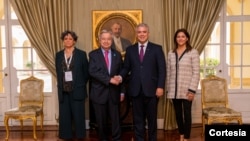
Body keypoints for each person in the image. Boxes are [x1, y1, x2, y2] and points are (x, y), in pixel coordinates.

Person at [119, 23, 166, 141]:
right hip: (135, 90)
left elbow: (162, 70)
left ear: (148, 33)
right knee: (138, 120)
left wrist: (160, 86)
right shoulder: (130, 50)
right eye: (139, 32)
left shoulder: (157, 49)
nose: (142, 34)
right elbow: (126, 68)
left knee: (152, 120)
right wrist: (119, 77)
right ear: (136, 34)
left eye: (144, 32)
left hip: (152, 90)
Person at [88, 29, 124, 141]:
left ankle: (116, 139)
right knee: (101, 121)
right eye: (103, 39)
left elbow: (121, 73)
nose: (106, 41)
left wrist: (122, 91)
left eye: (109, 39)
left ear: (112, 40)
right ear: (99, 40)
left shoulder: (117, 54)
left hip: (114, 92)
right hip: (99, 93)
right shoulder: (93, 54)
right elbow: (93, 72)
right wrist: (109, 80)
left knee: (116, 120)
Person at [166, 28, 200, 141]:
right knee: (178, 114)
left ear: (187, 38)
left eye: (183, 36)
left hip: (187, 89)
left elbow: (196, 72)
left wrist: (192, 90)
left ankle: (186, 137)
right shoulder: (171, 53)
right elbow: (168, 72)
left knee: (187, 113)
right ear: (175, 39)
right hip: (174, 89)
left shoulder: (193, 52)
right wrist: (168, 89)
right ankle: (181, 134)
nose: (180, 38)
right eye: (178, 36)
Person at [55, 30, 89, 140]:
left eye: (70, 38)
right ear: (63, 41)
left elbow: (86, 73)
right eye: (65, 39)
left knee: (79, 115)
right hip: (63, 90)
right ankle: (66, 135)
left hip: (77, 89)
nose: (68, 40)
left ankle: (80, 135)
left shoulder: (81, 54)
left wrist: (80, 83)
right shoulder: (59, 55)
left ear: (74, 41)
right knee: (64, 116)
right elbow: (58, 72)